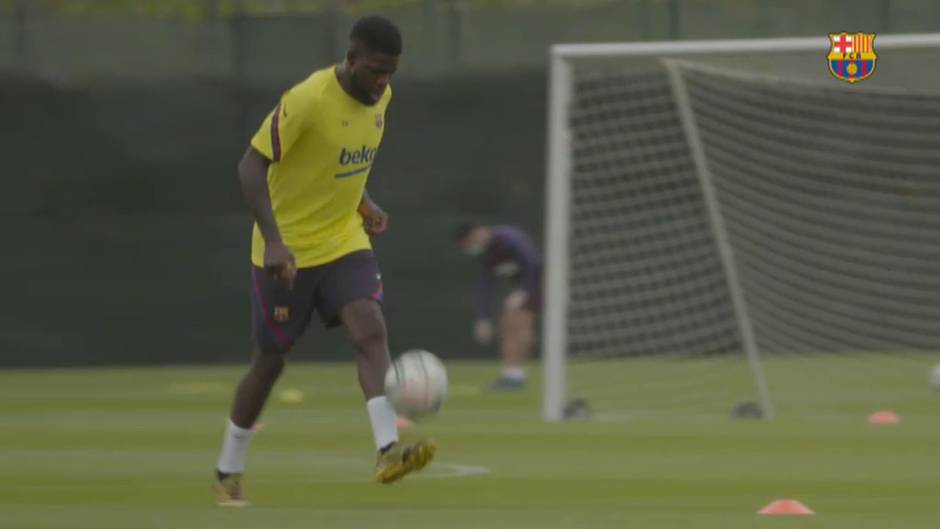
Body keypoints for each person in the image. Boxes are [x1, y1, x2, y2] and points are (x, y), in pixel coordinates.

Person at [213, 16, 434, 507]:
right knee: (269, 364)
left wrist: (364, 203)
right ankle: (228, 469)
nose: (382, 83)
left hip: (342, 241)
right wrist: (274, 241)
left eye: (391, 73)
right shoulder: (308, 100)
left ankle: (387, 451)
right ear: (351, 58)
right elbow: (250, 165)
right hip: (286, 250)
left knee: (369, 328)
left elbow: (341, 162)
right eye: (375, 71)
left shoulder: (382, 98)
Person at [454, 223, 543, 389]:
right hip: (521, 287)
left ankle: (517, 376)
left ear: (477, 233)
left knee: (521, 322)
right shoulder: (487, 254)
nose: (471, 248)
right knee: (506, 325)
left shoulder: (508, 239)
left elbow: (533, 263)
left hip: (540, 281)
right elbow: (485, 285)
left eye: (469, 243)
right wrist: (483, 318)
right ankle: (512, 375)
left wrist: (524, 292)